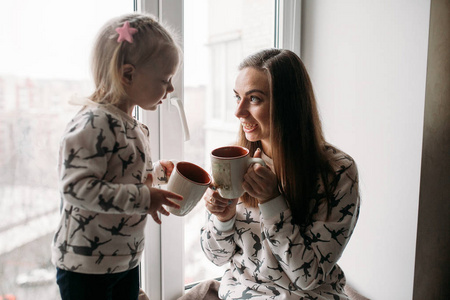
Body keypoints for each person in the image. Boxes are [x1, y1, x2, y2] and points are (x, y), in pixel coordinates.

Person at [200, 49, 360, 300]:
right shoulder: (233, 162)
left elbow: (308, 277)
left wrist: (273, 201)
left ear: (289, 104)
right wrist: (223, 218)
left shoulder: (338, 173)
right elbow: (216, 257)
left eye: (253, 99)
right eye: (237, 98)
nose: (239, 112)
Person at [51, 13, 183, 300]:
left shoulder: (130, 124)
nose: (171, 89)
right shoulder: (94, 122)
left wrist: (160, 173)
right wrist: (146, 198)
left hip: (123, 258)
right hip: (85, 266)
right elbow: (77, 188)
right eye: (165, 79)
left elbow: (126, 174)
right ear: (127, 74)